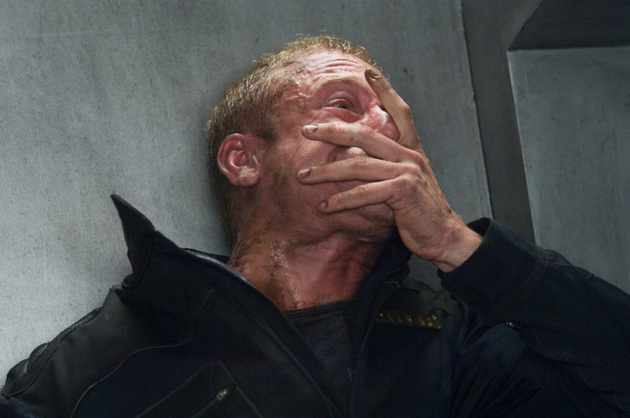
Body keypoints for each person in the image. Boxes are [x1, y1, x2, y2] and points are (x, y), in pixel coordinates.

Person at [1, 35, 629, 417]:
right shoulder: (110, 353)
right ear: (244, 160)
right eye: (344, 105)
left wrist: (456, 244)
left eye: (394, 121)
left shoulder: (452, 346)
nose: (383, 129)